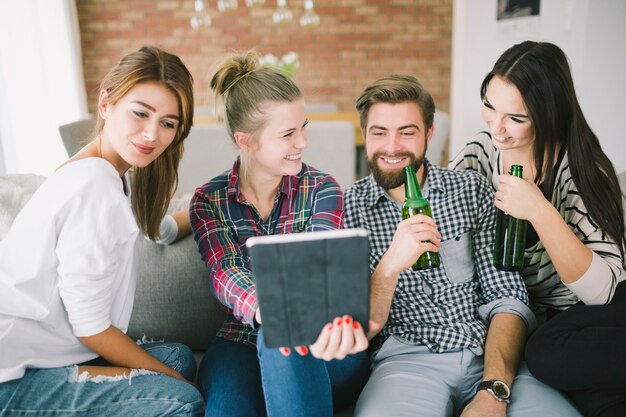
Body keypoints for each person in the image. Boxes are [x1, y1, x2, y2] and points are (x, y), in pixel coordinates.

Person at [344, 74, 582, 417]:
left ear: (429, 133)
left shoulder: (470, 191)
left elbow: (508, 297)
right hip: (405, 364)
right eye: (379, 132)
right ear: (365, 135)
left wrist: (493, 388)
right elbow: (358, 326)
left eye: (407, 132)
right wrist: (389, 265)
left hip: (491, 356)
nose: (392, 146)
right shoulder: (347, 209)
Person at [0, 46, 204, 416]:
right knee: (182, 400)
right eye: (140, 113)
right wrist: (176, 385)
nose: (151, 134)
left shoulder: (98, 172)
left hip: (43, 350)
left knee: (177, 358)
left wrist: (214, 205)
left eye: (168, 123)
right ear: (106, 103)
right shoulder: (96, 186)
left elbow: (153, 229)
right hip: (14, 374)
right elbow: (91, 327)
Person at [189, 50, 371, 417]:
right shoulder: (209, 200)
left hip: (326, 342)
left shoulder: (323, 189)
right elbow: (224, 271)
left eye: (304, 127)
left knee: (283, 339)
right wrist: (268, 309)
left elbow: (320, 281)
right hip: (238, 344)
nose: (302, 142)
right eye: (288, 133)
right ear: (247, 141)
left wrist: (284, 318)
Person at [450, 40, 626, 417]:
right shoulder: (480, 154)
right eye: (489, 105)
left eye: (516, 118)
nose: (497, 128)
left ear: (548, 116)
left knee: (545, 354)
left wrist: (540, 212)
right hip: (536, 320)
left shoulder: (581, 169)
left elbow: (603, 292)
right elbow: (443, 208)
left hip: (598, 312)